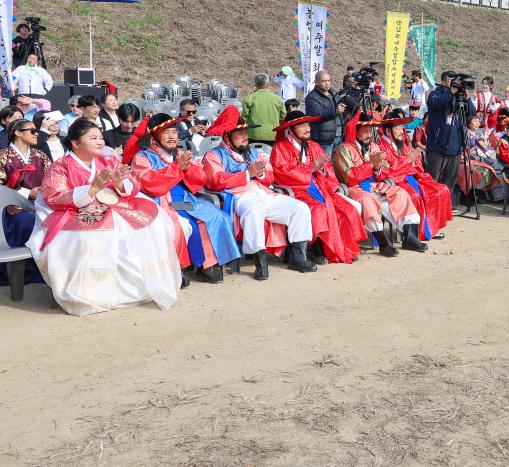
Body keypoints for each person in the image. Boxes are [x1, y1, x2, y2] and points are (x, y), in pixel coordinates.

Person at [28, 118, 182, 316]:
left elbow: (132, 185)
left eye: (101, 137)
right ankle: (93, 292)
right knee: (95, 236)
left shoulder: (108, 160)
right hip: (74, 211)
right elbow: (54, 196)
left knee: (152, 226)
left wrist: (119, 183)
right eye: (93, 138)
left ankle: (137, 286)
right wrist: (92, 189)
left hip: (112, 206)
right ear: (75, 142)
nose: (100, 142)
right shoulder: (60, 166)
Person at [129, 113, 241, 285]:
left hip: (185, 201)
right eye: (166, 132)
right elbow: (148, 183)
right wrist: (177, 168)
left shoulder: (180, 153)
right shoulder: (142, 157)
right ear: (154, 136)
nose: (172, 136)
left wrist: (188, 169)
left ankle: (210, 263)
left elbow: (201, 178)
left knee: (217, 216)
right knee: (189, 224)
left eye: (174, 132)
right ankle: (182, 267)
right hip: (162, 202)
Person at [203, 107, 314, 279]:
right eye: (240, 133)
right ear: (227, 136)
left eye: (246, 133)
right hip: (237, 196)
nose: (245, 136)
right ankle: (260, 262)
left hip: (262, 192)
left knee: (300, 208)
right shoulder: (213, 155)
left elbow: (269, 176)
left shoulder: (253, 153)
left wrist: (260, 174)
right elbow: (216, 180)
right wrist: (248, 174)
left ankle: (299, 258)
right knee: (254, 211)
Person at [269, 111, 367, 267]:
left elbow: (327, 168)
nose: (307, 128)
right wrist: (310, 169)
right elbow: (281, 174)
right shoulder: (280, 149)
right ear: (291, 130)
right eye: (302, 125)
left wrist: (322, 171)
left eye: (307, 124)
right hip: (296, 190)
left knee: (346, 210)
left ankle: (339, 249)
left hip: (321, 187)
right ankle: (316, 249)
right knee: (319, 210)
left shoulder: (314, 146)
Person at [332, 111, 425, 255]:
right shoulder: (344, 149)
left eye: (370, 131)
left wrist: (377, 168)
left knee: (401, 193)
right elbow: (348, 177)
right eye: (365, 131)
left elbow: (384, 173)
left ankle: (410, 238)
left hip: (374, 185)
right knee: (367, 200)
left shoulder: (375, 147)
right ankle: (384, 243)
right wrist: (370, 164)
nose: (369, 135)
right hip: (354, 188)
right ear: (355, 132)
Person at [379, 110, 452, 242]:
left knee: (440, 190)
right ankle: (417, 232)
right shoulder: (381, 148)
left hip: (411, 177)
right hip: (397, 183)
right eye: (398, 128)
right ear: (388, 131)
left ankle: (431, 228)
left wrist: (414, 159)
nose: (402, 132)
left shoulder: (400, 144)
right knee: (415, 196)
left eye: (402, 128)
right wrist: (408, 160)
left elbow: (414, 162)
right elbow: (386, 173)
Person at [0, 118, 51, 288]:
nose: (37, 134)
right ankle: (25, 272)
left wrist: (42, 191)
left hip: (41, 204)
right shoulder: (3, 156)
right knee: (27, 221)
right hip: (11, 208)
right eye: (33, 131)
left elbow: (52, 179)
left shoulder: (41, 156)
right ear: (18, 133)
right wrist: (27, 193)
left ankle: (48, 269)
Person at [424, 71, 475, 208]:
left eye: (455, 81)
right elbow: (436, 103)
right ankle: (429, 206)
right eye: (451, 80)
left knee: (450, 180)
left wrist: (467, 99)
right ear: (442, 82)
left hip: (455, 146)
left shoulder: (459, 96)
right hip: (438, 146)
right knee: (433, 178)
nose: (454, 83)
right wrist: (450, 93)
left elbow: (471, 113)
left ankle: (444, 206)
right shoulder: (435, 94)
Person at [305, 70, 346, 155]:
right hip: (324, 139)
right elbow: (314, 115)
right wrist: (335, 111)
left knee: (338, 161)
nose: (327, 83)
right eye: (323, 81)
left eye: (328, 80)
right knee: (325, 162)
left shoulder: (333, 93)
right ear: (316, 82)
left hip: (339, 135)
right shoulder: (312, 97)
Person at [242, 73, 286, 144]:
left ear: (255, 84)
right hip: (273, 135)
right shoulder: (277, 99)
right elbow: (283, 117)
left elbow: (244, 118)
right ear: (267, 84)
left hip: (253, 135)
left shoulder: (249, 98)